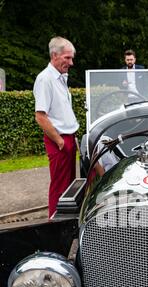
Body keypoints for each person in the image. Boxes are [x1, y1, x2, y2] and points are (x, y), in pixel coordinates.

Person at [33, 36, 79, 218]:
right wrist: (60, 141)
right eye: (67, 58)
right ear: (54, 55)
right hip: (59, 140)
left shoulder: (59, 77)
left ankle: (66, 224)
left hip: (68, 138)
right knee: (59, 187)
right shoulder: (45, 79)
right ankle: (54, 223)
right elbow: (40, 116)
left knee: (69, 187)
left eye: (71, 58)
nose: (71, 62)